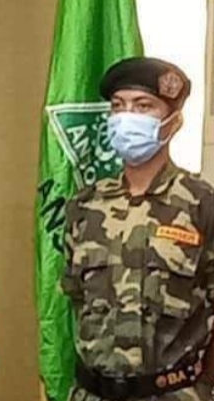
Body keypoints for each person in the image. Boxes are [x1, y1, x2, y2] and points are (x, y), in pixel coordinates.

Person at [63, 57, 214, 401]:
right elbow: (75, 298)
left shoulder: (201, 205)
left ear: (173, 122)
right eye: (118, 106)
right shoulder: (86, 206)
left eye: (143, 106)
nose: (127, 117)